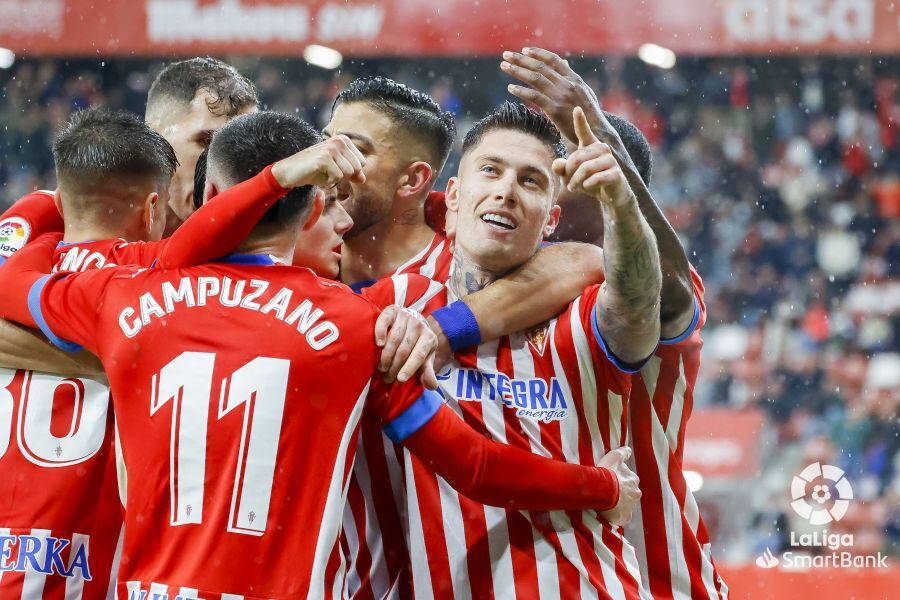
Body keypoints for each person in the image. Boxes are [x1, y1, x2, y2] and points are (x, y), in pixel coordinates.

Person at [0, 110, 634, 598]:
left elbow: (10, 287)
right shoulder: (357, 327)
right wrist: (600, 485)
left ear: (214, 191)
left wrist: (35, 214)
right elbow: (474, 467)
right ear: (315, 204)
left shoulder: (123, 297)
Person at [360, 103, 660, 598]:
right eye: (491, 171)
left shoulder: (581, 316)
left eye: (531, 182)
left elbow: (636, 299)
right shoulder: (394, 304)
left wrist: (622, 208)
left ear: (551, 220)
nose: (506, 191)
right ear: (453, 197)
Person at [501, 47, 727, 598]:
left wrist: (596, 128)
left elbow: (667, 288)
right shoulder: (506, 287)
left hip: (658, 579)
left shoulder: (658, 286)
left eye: (556, 168)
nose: (543, 184)